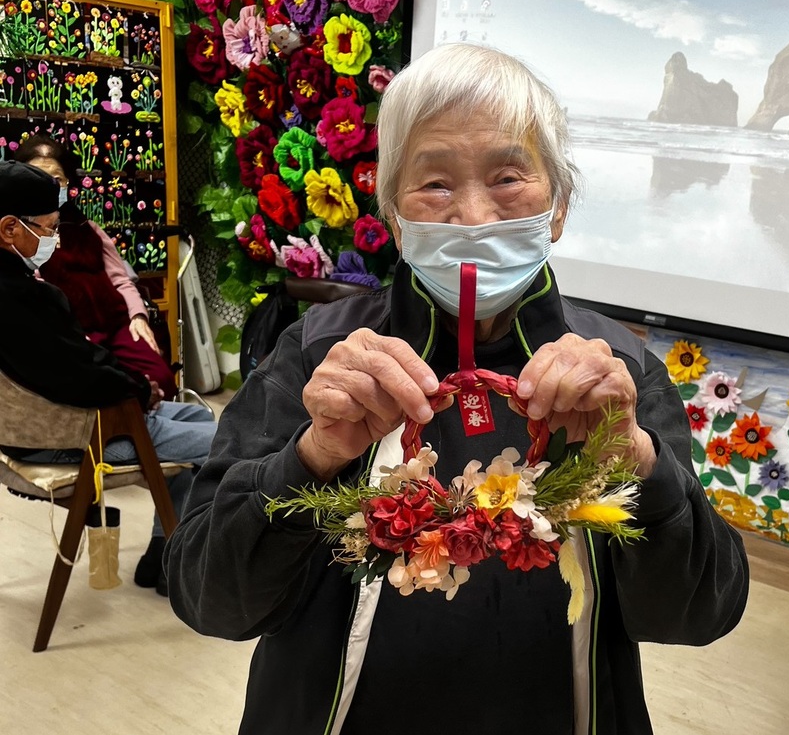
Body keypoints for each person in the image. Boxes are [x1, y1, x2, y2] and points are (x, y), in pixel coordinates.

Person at [165, 44, 749, 733]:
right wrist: (312, 455)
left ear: (558, 207)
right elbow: (209, 598)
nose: (472, 216)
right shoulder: (319, 356)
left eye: (508, 176)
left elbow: (697, 615)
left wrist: (637, 462)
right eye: (435, 184)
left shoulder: (616, 373)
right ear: (394, 216)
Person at [0, 160, 216, 596]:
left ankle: (163, 550)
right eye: (49, 228)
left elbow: (77, 359)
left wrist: (133, 382)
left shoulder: (21, 287)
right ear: (9, 229)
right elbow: (77, 376)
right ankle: (182, 559)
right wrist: (137, 387)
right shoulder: (21, 297)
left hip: (44, 425)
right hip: (77, 432)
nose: (56, 239)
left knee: (195, 417)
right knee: (228, 440)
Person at [15, 135, 178, 400]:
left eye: (57, 179)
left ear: (68, 183)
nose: (49, 186)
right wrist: (69, 336)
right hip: (74, 335)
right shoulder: (22, 235)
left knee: (161, 378)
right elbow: (38, 297)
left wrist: (138, 317)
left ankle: (156, 424)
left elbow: (121, 279)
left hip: (116, 325)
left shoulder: (87, 228)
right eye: (38, 177)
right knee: (117, 389)